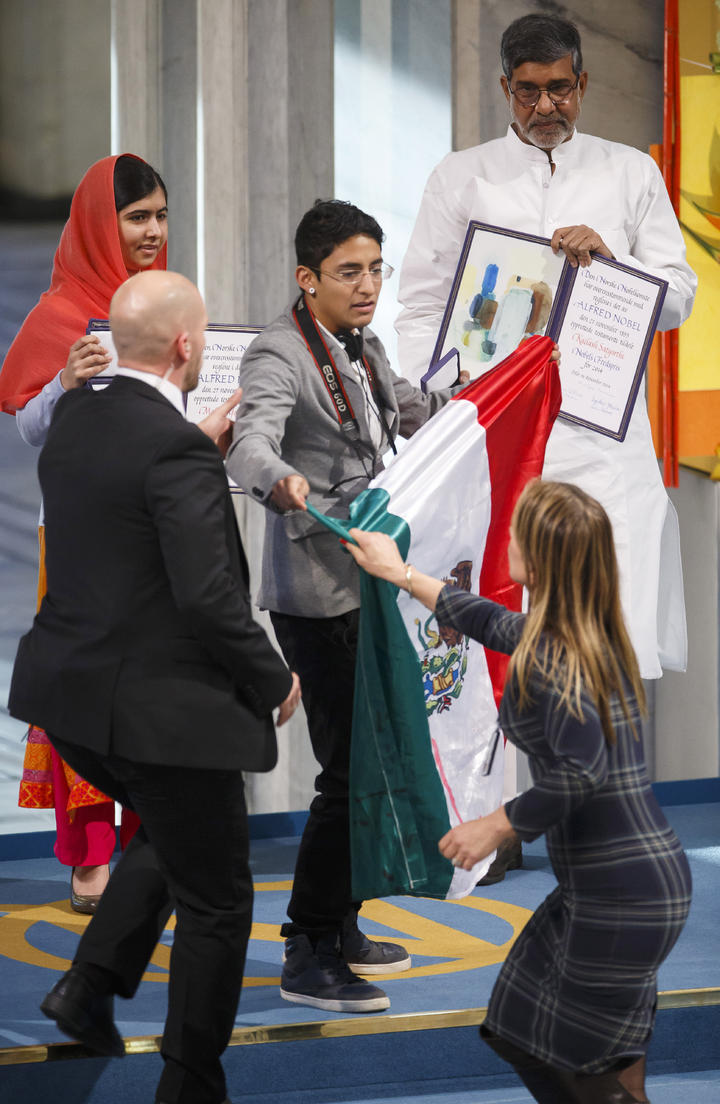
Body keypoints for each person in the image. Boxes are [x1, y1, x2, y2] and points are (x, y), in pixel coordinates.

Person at [396, 11, 697, 883]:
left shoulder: (629, 172)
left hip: (607, 442)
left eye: (559, 87)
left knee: (619, 621)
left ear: (583, 83)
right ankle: (508, 823)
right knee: (514, 632)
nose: (545, 105)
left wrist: (613, 263)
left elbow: (676, 297)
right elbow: (421, 305)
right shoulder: (463, 177)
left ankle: (614, 816)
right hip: (507, 441)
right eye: (527, 91)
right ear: (504, 90)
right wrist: (451, 400)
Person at [9, 269, 300, 1104]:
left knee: (175, 829)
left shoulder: (79, 416)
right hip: (155, 710)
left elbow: (125, 514)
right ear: (187, 347)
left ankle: (90, 986)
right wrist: (271, 675)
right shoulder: (172, 446)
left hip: (71, 702)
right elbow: (209, 596)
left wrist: (192, 456)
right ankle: (190, 1084)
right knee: (217, 898)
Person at [345, 479, 691, 1104]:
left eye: (515, 532)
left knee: (558, 1052)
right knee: (551, 1034)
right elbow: (491, 621)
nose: (506, 537)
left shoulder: (556, 654)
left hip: (619, 892)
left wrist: (495, 826)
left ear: (536, 555)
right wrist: (401, 574)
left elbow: (580, 772)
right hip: (630, 884)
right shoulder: (582, 634)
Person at [226, 199, 465, 1014]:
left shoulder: (365, 341)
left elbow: (400, 411)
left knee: (377, 757)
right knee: (346, 773)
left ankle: (344, 923)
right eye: (349, 273)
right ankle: (307, 947)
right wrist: (278, 482)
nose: (367, 287)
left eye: (376, 269)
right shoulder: (277, 352)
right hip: (315, 595)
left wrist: (471, 399)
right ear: (307, 279)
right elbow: (247, 440)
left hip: (373, 575)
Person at [0, 153, 170, 910]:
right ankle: (91, 851)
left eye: (161, 216)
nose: (152, 231)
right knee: (84, 688)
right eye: (137, 217)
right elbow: (32, 428)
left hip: (158, 528)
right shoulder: (62, 315)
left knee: (155, 684)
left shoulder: (168, 304)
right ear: (103, 223)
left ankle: (152, 839)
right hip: (73, 538)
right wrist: (65, 382)